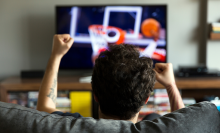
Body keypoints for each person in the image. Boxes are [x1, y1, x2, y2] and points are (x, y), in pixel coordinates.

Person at [36, 34, 185, 123]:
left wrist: (56, 55)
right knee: (153, 116)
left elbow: (44, 108)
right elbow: (186, 123)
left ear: (95, 95)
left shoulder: (74, 126)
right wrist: (171, 85)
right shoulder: (158, 128)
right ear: (146, 99)